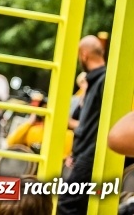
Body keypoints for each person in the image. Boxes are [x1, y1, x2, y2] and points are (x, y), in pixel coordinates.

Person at [57, 35, 107, 215]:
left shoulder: (103, 81)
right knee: (80, 206)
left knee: (66, 204)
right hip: (85, 154)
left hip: (89, 156)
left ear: (84, 55)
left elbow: (96, 127)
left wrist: (82, 155)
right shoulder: (96, 82)